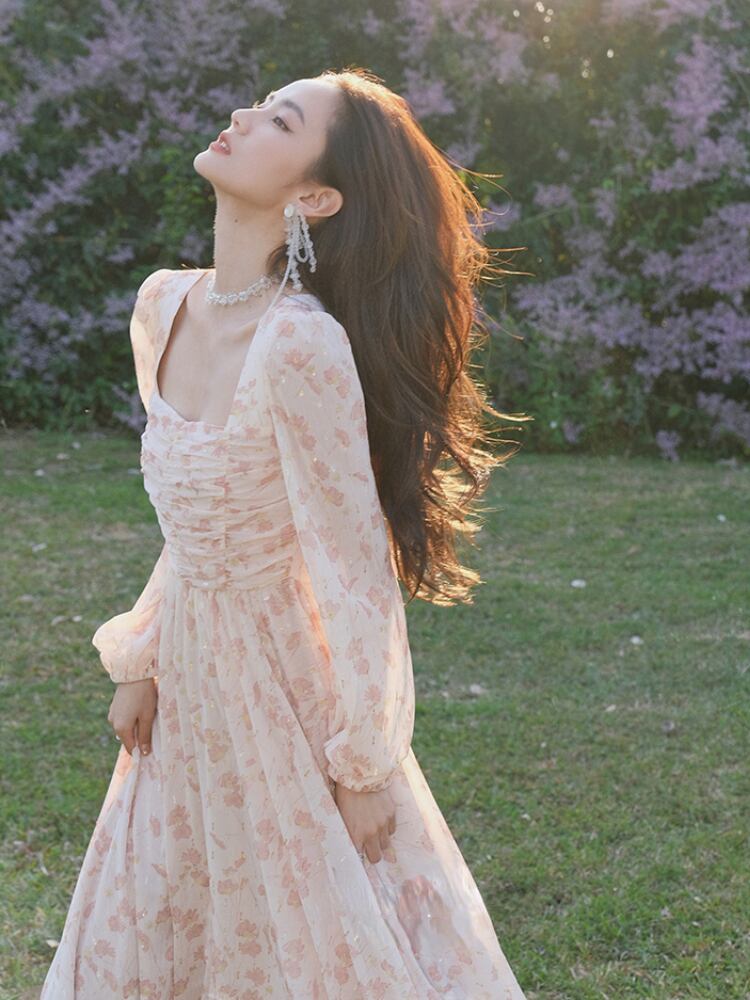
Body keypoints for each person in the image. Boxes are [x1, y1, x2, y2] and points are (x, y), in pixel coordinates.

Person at [40, 67, 528, 998]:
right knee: (177, 906)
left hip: (284, 686)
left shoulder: (301, 344)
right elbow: (204, 522)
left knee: (313, 923)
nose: (240, 116)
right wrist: (143, 654)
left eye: (279, 121)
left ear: (316, 196)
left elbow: (351, 567)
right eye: (260, 106)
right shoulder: (162, 306)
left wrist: (364, 763)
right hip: (190, 678)